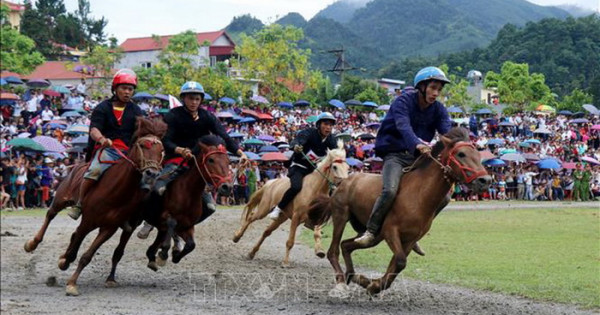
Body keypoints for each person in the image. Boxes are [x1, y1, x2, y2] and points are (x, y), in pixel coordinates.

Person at [354, 66, 452, 247]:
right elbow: (403, 127)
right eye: (432, 88)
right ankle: (371, 230)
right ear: (421, 87)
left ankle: (414, 232)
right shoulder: (403, 102)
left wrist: (460, 143)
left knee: (445, 198)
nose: (436, 93)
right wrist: (417, 143)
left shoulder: (439, 109)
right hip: (395, 154)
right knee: (390, 190)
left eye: (439, 89)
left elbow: (447, 132)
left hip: (418, 156)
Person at [137, 81, 247, 239]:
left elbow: (223, 136)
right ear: (184, 98)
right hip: (174, 159)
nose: (194, 102)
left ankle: (182, 225)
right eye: (190, 98)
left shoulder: (207, 116)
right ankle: (149, 221)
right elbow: (165, 140)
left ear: (201, 100)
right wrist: (179, 150)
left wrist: (240, 152)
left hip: (197, 163)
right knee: (158, 188)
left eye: (197, 99)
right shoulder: (173, 115)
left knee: (210, 207)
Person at [67, 69, 144, 220]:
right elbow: (94, 129)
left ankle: (137, 212)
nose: (127, 92)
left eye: (130, 89)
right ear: (115, 89)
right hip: (109, 150)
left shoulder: (137, 110)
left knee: (146, 177)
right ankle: (80, 204)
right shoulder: (103, 107)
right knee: (94, 170)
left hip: (129, 153)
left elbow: (142, 130)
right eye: (124, 88)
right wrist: (102, 139)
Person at [266, 112, 338, 220]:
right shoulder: (308, 132)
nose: (328, 127)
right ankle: (278, 208)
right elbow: (298, 140)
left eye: (331, 125)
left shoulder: (331, 139)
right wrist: (296, 146)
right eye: (326, 124)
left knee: (331, 188)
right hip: (299, 167)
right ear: (319, 125)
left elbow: (336, 152)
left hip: (314, 171)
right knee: (296, 187)